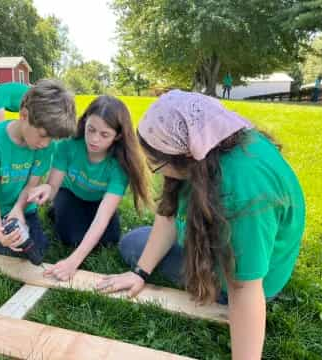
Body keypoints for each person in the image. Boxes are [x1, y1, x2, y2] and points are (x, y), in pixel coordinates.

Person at [96, 90, 305, 359]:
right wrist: (140, 273)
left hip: (251, 282)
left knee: (133, 244)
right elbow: (169, 212)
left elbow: (245, 288)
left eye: (155, 164)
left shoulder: (243, 196)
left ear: (183, 158)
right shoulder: (209, 141)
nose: (152, 169)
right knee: (135, 243)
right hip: (233, 248)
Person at [28, 95, 151, 280]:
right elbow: (53, 185)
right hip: (70, 193)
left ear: (117, 136)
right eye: (90, 130)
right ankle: (57, 212)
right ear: (84, 123)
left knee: (108, 240)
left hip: (99, 201)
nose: (94, 139)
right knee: (72, 238)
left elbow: (103, 216)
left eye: (104, 135)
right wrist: (47, 189)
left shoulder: (120, 165)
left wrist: (73, 262)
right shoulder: (68, 145)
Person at [0, 79, 76, 264]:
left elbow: (31, 185)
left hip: (21, 204)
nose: (46, 144)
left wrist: (18, 210)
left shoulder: (45, 145)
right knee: (10, 252)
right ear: (24, 115)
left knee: (38, 248)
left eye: (51, 139)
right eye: (43, 135)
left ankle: (2, 235)